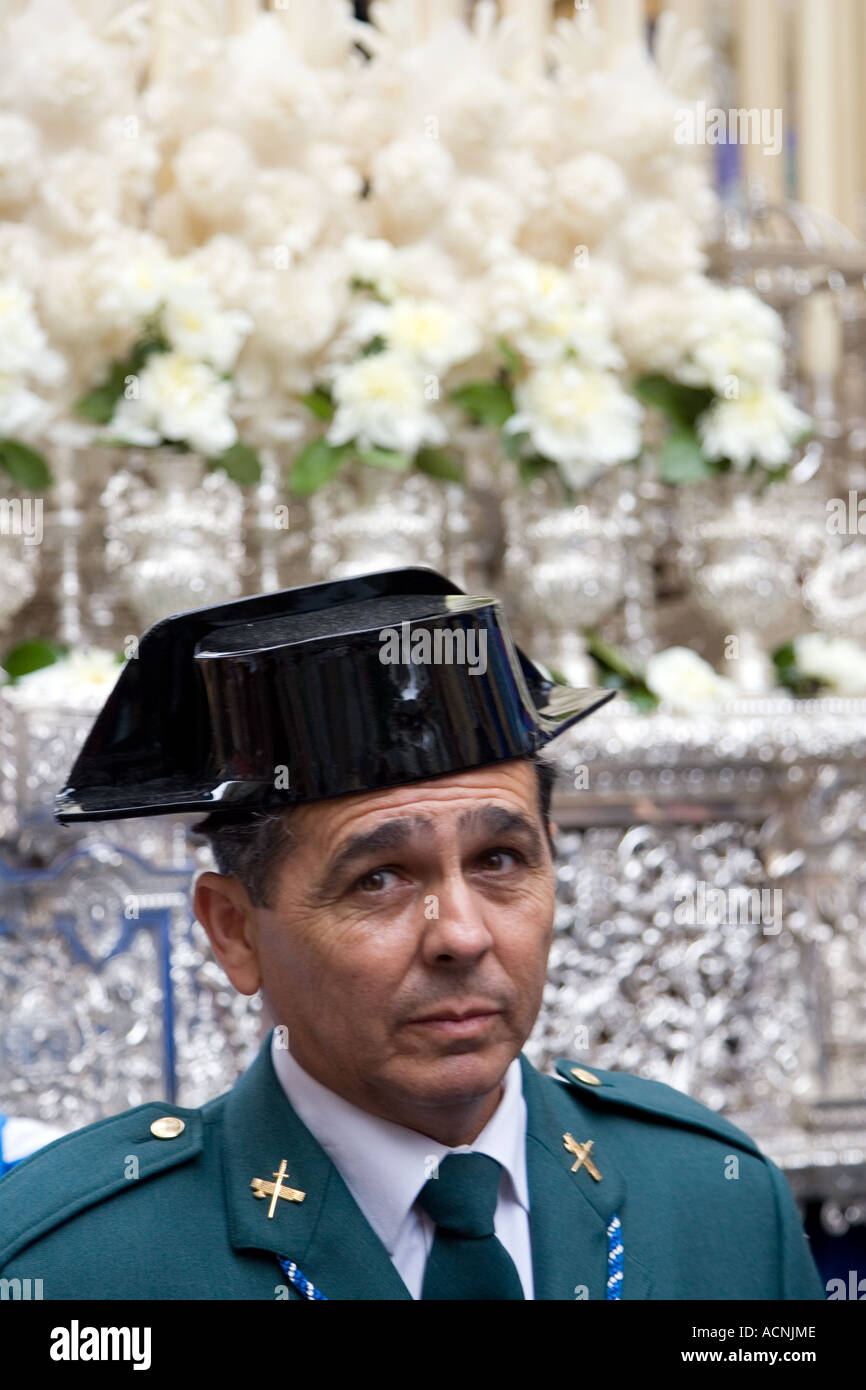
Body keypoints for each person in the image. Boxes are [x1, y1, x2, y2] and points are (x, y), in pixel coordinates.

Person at [0, 568, 824, 1300]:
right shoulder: (90, 1262)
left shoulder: (716, 1205)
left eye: (500, 858)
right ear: (235, 931)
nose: (460, 936)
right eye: (380, 879)